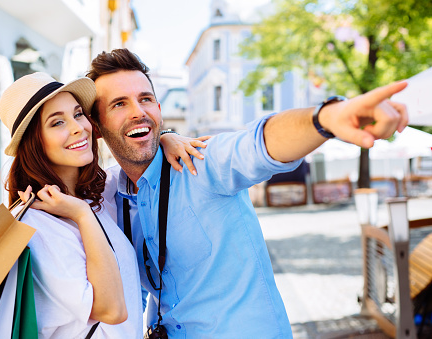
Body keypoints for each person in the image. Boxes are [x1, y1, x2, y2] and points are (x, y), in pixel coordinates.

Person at [86, 48, 408, 338]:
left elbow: (260, 143)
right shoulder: (111, 194)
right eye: (119, 104)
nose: (137, 112)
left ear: (158, 108)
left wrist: (326, 119)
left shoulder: (201, 161)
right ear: (97, 126)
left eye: (145, 99)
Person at [0, 72, 206, 338]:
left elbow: (138, 163)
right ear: (34, 143)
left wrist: (166, 137)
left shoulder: (98, 195)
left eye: (77, 114)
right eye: (57, 122)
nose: (77, 128)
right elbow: (111, 311)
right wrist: (81, 216)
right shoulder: (38, 226)